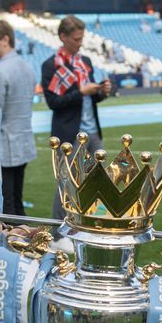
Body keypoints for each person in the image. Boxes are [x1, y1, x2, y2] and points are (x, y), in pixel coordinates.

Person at [40, 15, 112, 218]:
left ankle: (89, 222)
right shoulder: (51, 66)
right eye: (76, 39)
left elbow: (91, 99)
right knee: (67, 184)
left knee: (99, 180)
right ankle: (59, 232)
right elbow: (54, 103)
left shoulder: (85, 62)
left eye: (81, 38)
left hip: (93, 132)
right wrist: (81, 92)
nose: (80, 44)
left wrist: (101, 91)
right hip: (70, 133)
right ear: (63, 37)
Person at [0, 19, 37, 217]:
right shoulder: (27, 66)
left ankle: (13, 247)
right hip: (22, 142)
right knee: (16, 203)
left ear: (5, 39)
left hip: (5, 147)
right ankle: (24, 246)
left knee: (6, 208)